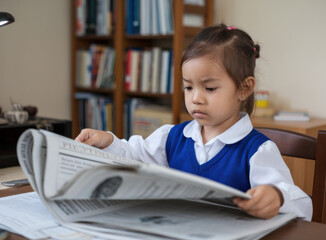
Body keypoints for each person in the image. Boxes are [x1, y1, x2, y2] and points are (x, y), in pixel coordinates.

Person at [75, 23, 312, 220]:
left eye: (209, 88)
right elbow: (133, 155)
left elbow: (304, 207)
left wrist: (277, 197)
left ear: (244, 88)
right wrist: (108, 141)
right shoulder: (172, 137)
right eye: (188, 87)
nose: (196, 98)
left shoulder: (257, 151)